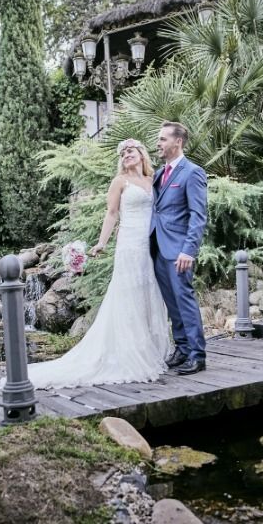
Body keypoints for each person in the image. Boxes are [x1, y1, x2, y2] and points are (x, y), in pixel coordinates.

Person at [14, 138, 170, 390]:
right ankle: (130, 353)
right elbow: (111, 214)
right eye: (123, 153)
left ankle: (150, 349)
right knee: (128, 295)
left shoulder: (154, 180)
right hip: (129, 245)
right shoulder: (120, 182)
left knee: (148, 293)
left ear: (142, 154)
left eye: (131, 151)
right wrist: (101, 243)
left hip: (151, 245)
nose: (126, 155)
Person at [151, 121, 208, 375]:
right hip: (158, 249)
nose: (158, 144)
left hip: (179, 251)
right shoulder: (158, 173)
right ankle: (182, 348)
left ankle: (197, 355)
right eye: (159, 139)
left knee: (184, 301)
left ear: (178, 142)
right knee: (172, 304)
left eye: (163, 139)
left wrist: (188, 250)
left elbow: (198, 215)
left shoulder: (192, 172)